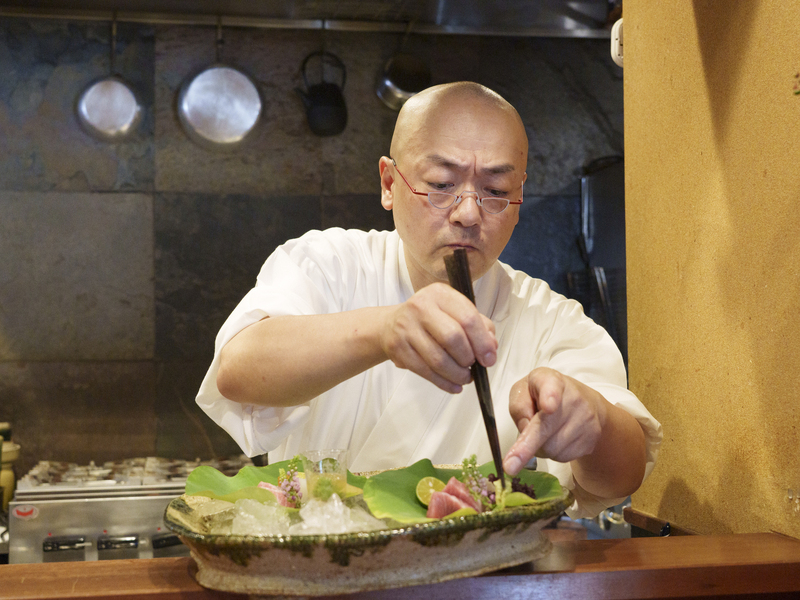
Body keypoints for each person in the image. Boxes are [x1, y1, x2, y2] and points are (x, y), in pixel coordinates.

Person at [196, 82, 662, 518]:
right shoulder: (329, 264)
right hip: (317, 568)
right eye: (441, 184)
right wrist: (384, 330)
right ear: (388, 183)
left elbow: (623, 475)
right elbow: (238, 372)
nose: (467, 212)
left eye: (496, 192)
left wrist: (593, 421)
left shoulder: (550, 320)